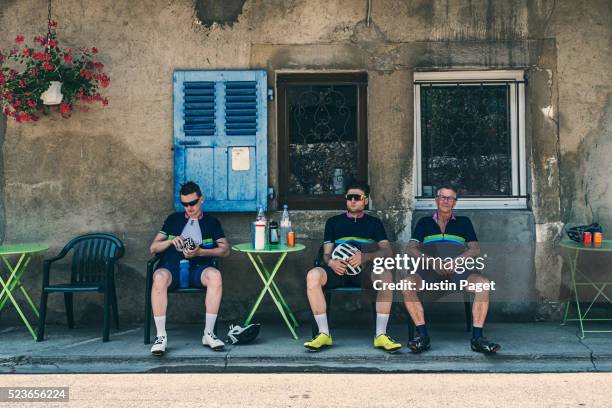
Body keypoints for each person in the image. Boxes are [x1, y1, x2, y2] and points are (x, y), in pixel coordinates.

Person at [402, 185, 500, 354]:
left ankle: (477, 338)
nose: (446, 201)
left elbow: (475, 249)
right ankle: (423, 336)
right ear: (436, 200)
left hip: (458, 271)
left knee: (483, 284)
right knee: (406, 285)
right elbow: (411, 248)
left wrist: (455, 262)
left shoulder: (464, 222)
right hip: (428, 271)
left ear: (455, 203)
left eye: (450, 198)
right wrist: (432, 262)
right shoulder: (424, 222)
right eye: (442, 197)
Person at [304, 181, 401, 353]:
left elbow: (387, 251)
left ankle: (381, 335)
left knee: (386, 276)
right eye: (349, 198)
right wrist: (331, 262)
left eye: (357, 198)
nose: (353, 201)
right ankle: (323, 334)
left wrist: (365, 256)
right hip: (337, 271)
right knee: (313, 275)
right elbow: (326, 254)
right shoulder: (333, 222)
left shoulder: (374, 223)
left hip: (365, 272)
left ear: (365, 200)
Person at [149, 181, 230, 356]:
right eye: (184, 204)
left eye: (192, 203)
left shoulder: (211, 222)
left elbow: (225, 250)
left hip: (198, 268)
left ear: (201, 199)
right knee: (159, 277)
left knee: (215, 276)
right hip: (172, 268)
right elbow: (153, 247)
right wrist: (170, 241)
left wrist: (201, 251)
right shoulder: (173, 219)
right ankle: (161, 336)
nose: (189, 208)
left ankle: (208, 333)